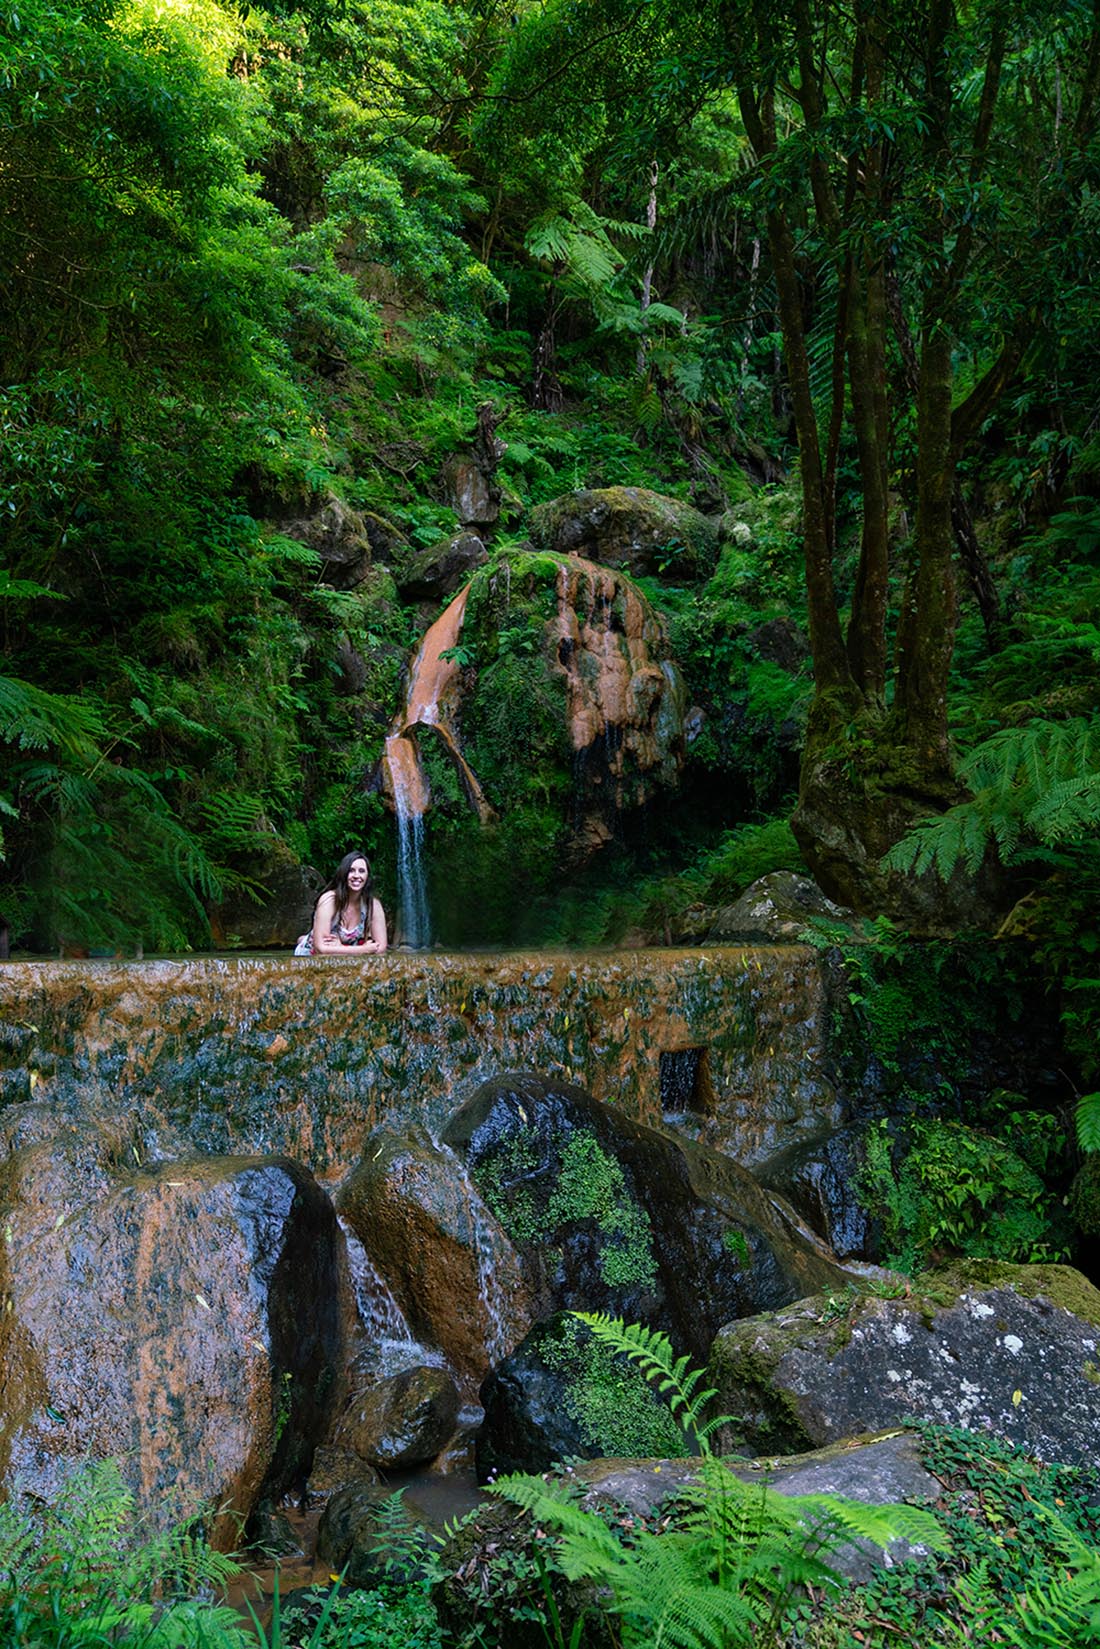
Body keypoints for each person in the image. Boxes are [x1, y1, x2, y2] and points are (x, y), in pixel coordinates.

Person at [294, 852, 388, 956]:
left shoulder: (373, 905)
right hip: (311, 956)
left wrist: (341, 947)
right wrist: (362, 949)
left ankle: (303, 938)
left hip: (347, 955)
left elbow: (381, 947)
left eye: (361, 871)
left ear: (367, 876)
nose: (357, 876)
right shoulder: (329, 900)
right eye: (351, 871)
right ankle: (304, 940)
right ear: (344, 874)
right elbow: (321, 949)